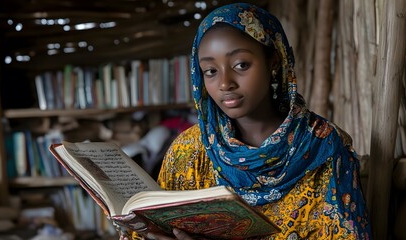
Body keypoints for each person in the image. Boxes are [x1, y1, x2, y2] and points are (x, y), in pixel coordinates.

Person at [122, 2, 372, 240]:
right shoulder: (187, 153)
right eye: (211, 71)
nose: (224, 83)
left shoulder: (324, 147)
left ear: (273, 62)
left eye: (241, 65)